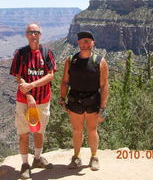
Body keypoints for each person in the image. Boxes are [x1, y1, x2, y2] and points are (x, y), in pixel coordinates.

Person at [10, 22, 57, 179]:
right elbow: (18, 75)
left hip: (43, 99)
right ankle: (24, 164)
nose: (33, 34)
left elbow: (51, 74)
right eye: (30, 32)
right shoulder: (21, 54)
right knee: (24, 133)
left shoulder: (47, 53)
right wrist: (29, 94)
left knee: (39, 131)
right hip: (24, 100)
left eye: (36, 32)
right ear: (26, 35)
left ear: (40, 34)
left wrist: (32, 85)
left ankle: (37, 159)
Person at [59, 31, 109, 171]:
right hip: (75, 100)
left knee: (92, 130)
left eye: (88, 41)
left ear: (93, 43)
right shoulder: (70, 60)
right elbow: (64, 81)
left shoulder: (100, 62)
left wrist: (103, 107)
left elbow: (104, 86)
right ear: (78, 43)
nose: (85, 44)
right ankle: (76, 157)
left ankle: (94, 157)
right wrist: (62, 99)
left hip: (93, 101)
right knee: (76, 130)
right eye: (82, 41)